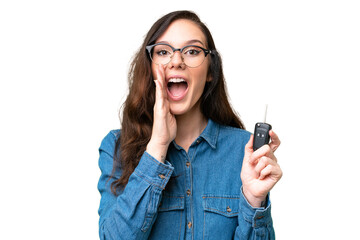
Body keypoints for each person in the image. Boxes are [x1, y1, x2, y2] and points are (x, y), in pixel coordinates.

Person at [97, 10, 282, 240]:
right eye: (163, 52)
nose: (176, 61)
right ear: (150, 68)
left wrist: (254, 200)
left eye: (192, 51)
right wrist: (156, 148)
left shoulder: (244, 151)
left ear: (209, 72)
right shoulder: (116, 147)